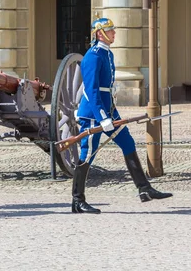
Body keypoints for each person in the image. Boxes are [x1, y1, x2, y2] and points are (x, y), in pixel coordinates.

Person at [71, 16, 173, 214]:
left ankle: (144, 189)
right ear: (100, 33)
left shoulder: (107, 54)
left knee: (127, 143)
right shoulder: (93, 56)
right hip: (94, 113)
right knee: (87, 154)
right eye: (110, 30)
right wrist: (102, 117)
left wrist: (109, 114)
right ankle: (77, 200)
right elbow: (92, 91)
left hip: (109, 110)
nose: (114, 33)